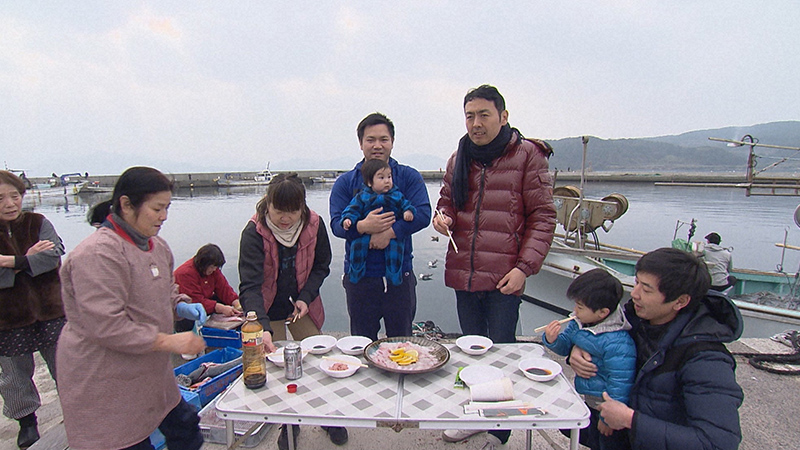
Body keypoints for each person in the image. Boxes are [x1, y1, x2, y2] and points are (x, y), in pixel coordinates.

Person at [433, 85, 556, 447]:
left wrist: (524, 268)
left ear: (503, 117)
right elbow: (447, 203)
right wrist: (443, 220)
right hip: (464, 272)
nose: (476, 123)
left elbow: (543, 218)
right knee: (471, 348)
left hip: (505, 275)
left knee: (500, 351)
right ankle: (475, 415)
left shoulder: (528, 156)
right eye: (469, 116)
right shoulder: (460, 158)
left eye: (484, 115)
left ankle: (499, 433)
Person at [57, 167, 209, 450]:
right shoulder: (97, 254)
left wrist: (182, 305)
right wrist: (168, 340)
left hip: (151, 372)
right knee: (128, 442)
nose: (164, 216)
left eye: (167, 208)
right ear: (126, 205)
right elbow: (106, 326)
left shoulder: (157, 247)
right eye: (157, 208)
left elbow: (167, 292)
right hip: (106, 377)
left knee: (186, 429)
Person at [570, 248, 744, 450]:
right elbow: (598, 335)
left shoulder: (705, 360)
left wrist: (630, 420)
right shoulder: (633, 321)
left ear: (680, 301)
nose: (634, 294)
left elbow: (718, 443)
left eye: (646, 289)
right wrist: (579, 348)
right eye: (636, 283)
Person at [238, 173, 346, 450]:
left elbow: (322, 264)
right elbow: (249, 286)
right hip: (266, 309)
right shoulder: (253, 232)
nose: (285, 219)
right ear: (267, 204)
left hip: (300, 305)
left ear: (303, 208)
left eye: (292, 212)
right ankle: (289, 427)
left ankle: (329, 418)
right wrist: (260, 327)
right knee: (278, 374)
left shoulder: (314, 224)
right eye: (278, 211)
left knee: (319, 362)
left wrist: (306, 297)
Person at [329, 112, 431, 341]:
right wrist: (363, 227)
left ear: (392, 142)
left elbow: (423, 214)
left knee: (402, 342)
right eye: (370, 139)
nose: (377, 145)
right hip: (360, 277)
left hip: (399, 275)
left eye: (383, 139)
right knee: (361, 342)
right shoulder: (346, 182)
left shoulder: (407, 176)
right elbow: (336, 224)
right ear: (360, 143)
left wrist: (390, 233)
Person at [0, 170, 65, 449]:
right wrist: (29, 260)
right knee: (15, 373)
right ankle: (27, 423)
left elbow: (53, 256)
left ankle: (78, 410)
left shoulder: (38, 222)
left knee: (66, 365)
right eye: (1, 198)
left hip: (52, 309)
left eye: (15, 196)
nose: (9, 203)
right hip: (9, 316)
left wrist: (11, 261)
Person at [542, 269, 635, 450]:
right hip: (588, 399)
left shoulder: (618, 341)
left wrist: (608, 418)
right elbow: (565, 347)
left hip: (606, 407)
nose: (575, 311)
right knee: (589, 437)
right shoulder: (580, 322)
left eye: (580, 307)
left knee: (607, 443)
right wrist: (552, 339)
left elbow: (621, 382)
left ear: (602, 313)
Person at [341, 158, 416, 286]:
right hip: (365, 234)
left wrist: (408, 212)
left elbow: (406, 205)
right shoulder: (362, 196)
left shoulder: (396, 195)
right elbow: (352, 210)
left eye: (389, 177)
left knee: (396, 249)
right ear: (370, 182)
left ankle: (394, 276)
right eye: (381, 178)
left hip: (392, 234)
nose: (387, 181)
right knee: (357, 246)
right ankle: (356, 272)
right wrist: (348, 220)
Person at [174, 243, 242, 332]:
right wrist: (220, 308)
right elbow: (194, 299)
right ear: (203, 264)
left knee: (223, 300)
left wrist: (236, 303)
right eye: (212, 267)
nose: (214, 269)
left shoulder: (214, 270)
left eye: (216, 267)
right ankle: (184, 333)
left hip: (205, 298)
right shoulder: (185, 273)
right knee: (187, 318)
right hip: (186, 305)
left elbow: (223, 288)